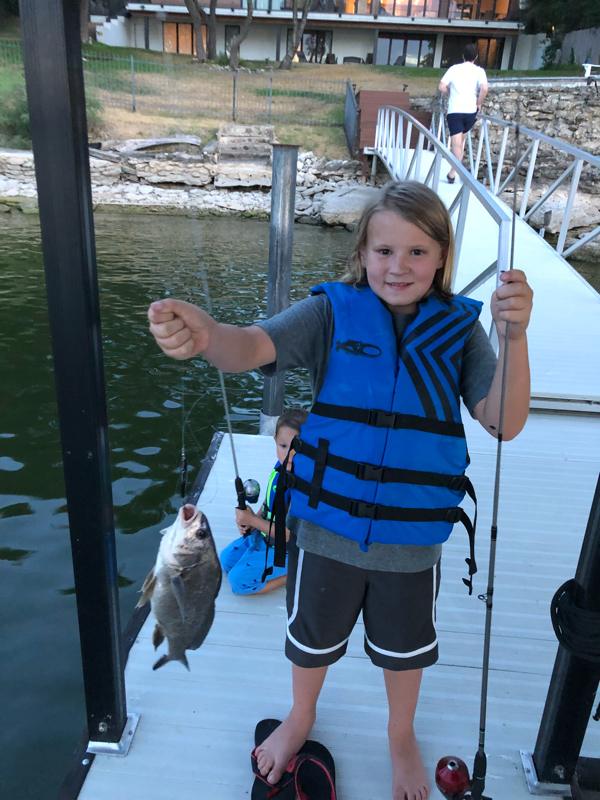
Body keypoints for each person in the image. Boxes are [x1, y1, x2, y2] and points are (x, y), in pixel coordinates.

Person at [147, 181, 533, 800]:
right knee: (310, 640)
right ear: (361, 253)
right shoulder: (329, 314)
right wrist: (208, 335)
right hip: (326, 532)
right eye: (384, 251)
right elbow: (251, 346)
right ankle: (300, 716)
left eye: (417, 252)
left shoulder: (461, 331)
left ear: (442, 257)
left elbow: (503, 421)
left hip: (410, 542)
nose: (398, 266)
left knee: (405, 652)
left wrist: (514, 337)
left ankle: (400, 735)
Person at [220, 408, 308, 596]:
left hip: (285, 549)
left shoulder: (303, 486)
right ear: (275, 441)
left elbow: (287, 534)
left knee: (238, 583)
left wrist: (252, 520)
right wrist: (254, 521)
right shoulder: (281, 468)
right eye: (283, 446)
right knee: (225, 561)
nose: (289, 454)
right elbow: (270, 501)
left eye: (298, 448)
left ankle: (295, 572)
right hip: (265, 535)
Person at [438, 43, 488, 184]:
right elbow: (484, 89)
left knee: (456, 145)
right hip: (470, 112)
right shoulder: (479, 71)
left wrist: (450, 92)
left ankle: (453, 174)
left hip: (455, 111)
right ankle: (453, 172)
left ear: (463, 56)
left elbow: (441, 86)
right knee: (460, 143)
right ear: (476, 57)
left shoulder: (454, 69)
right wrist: (479, 103)